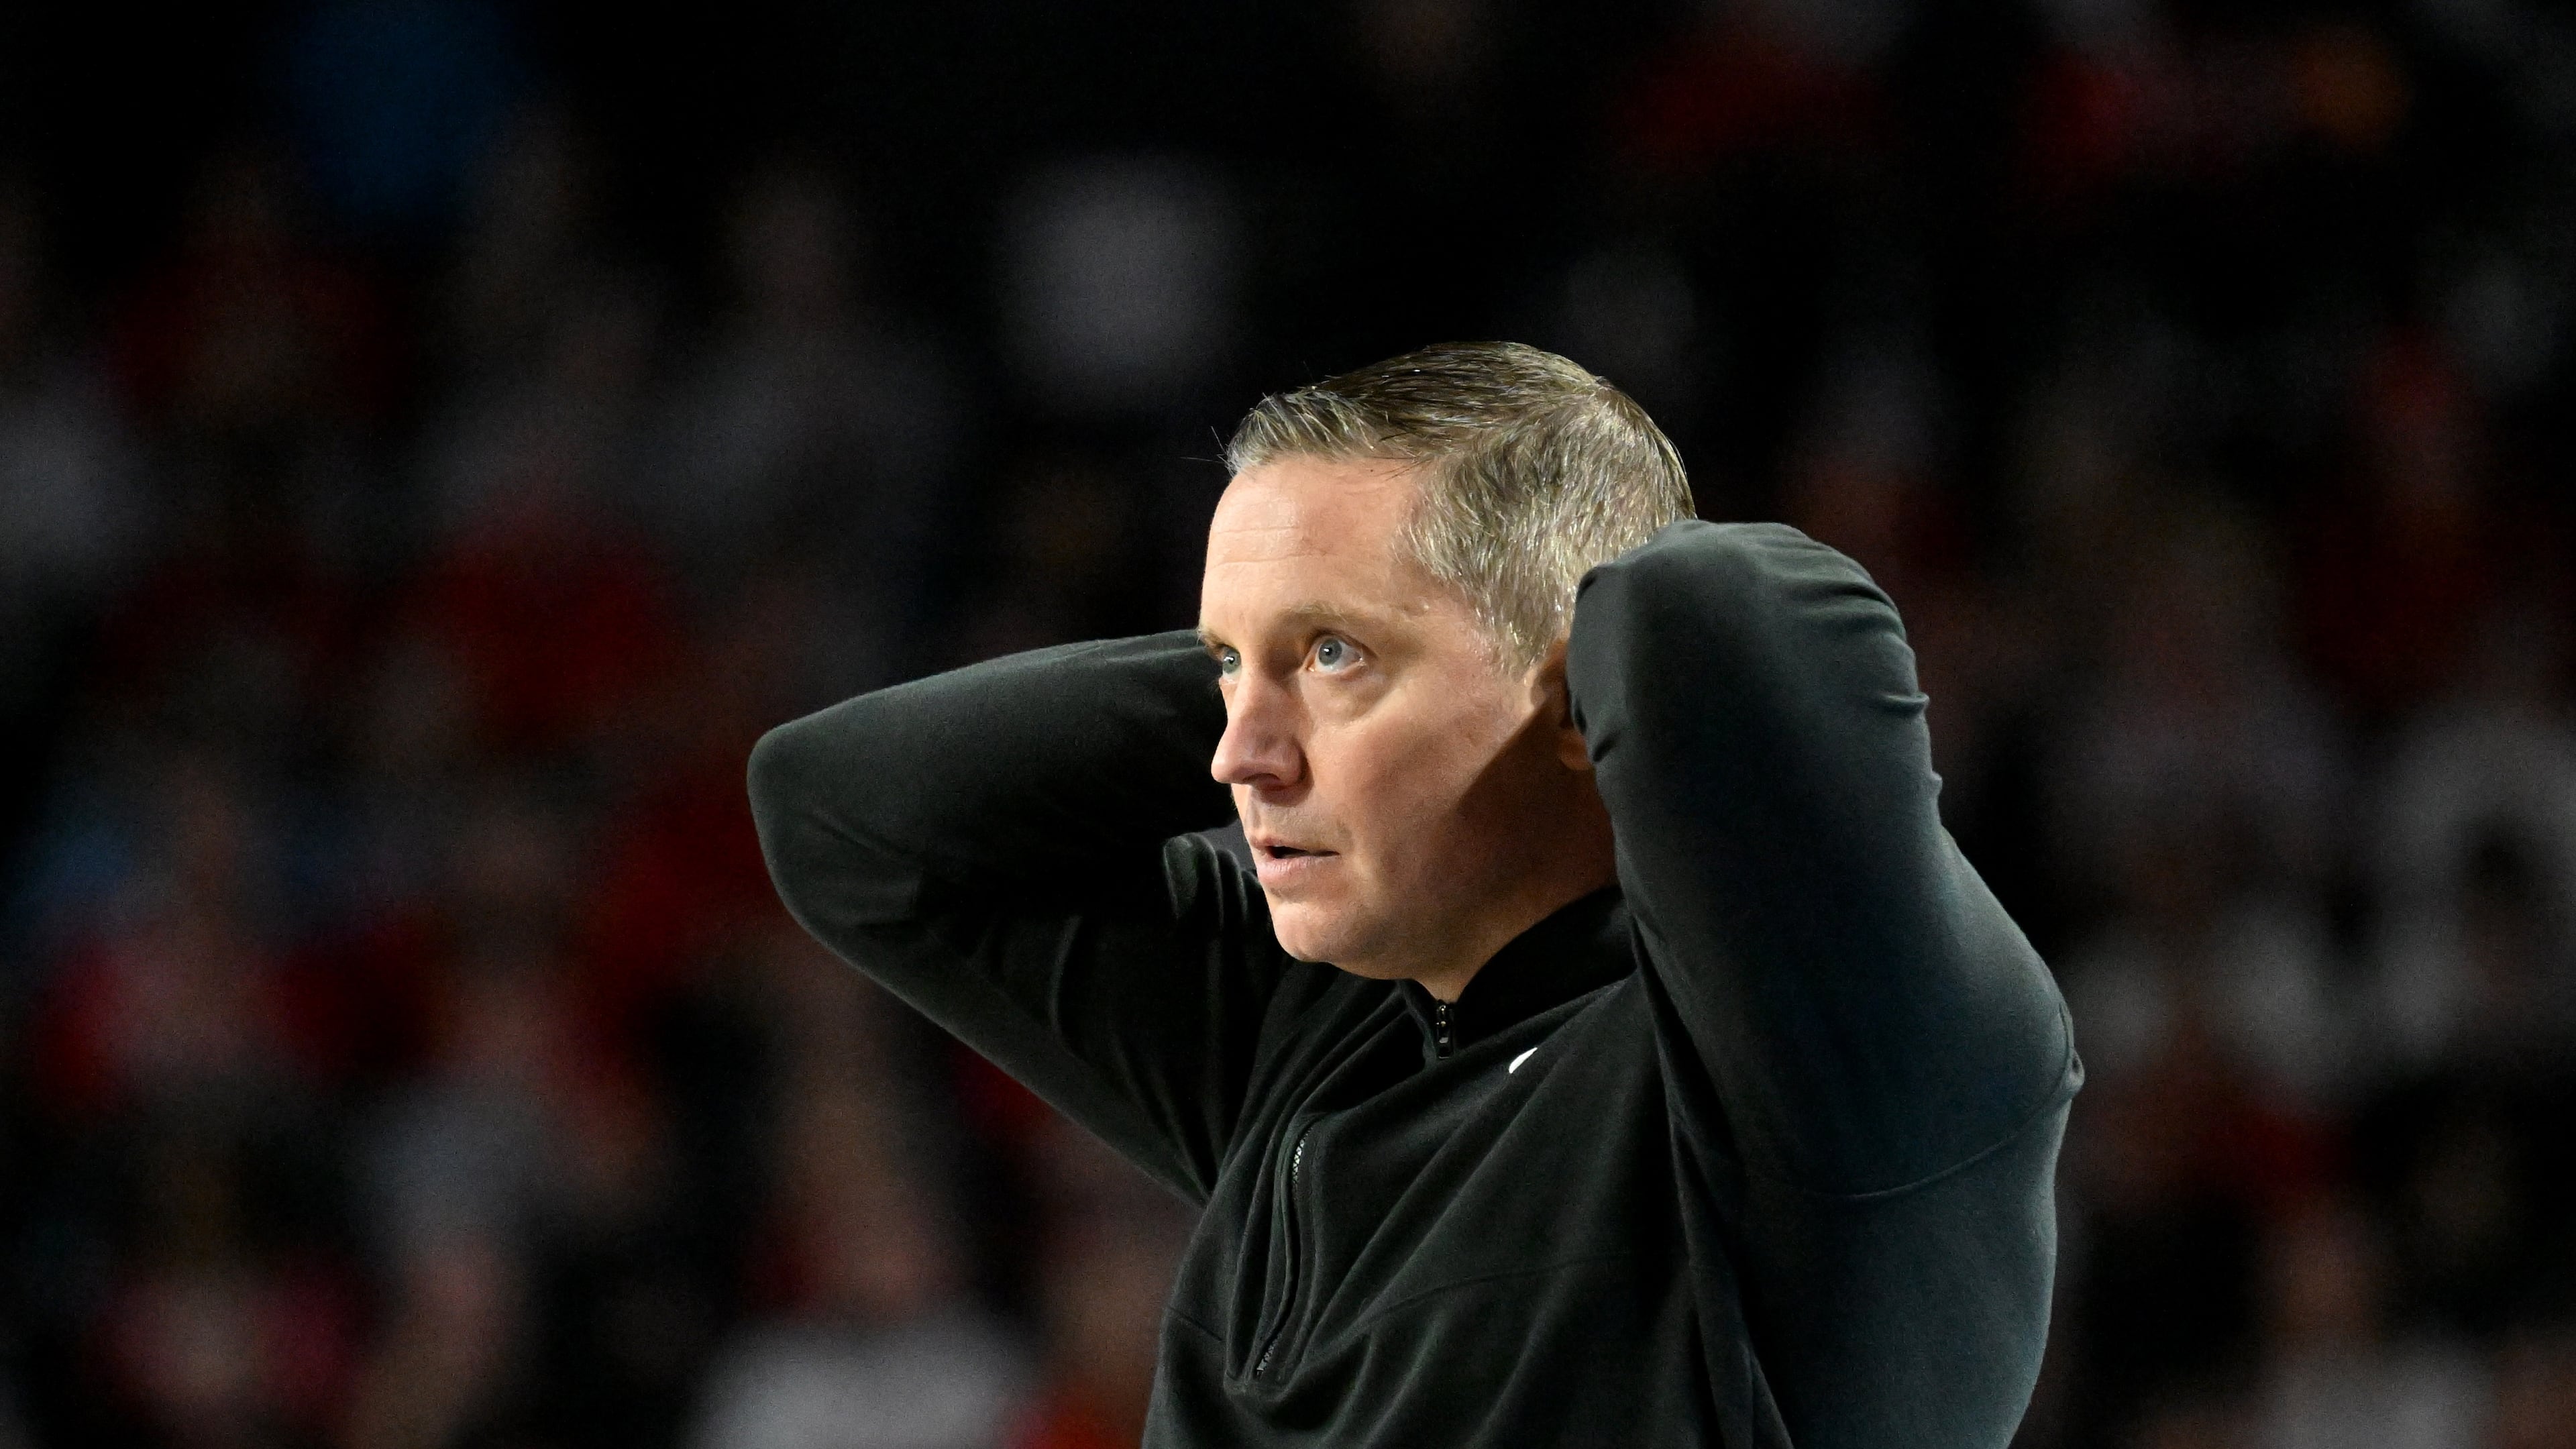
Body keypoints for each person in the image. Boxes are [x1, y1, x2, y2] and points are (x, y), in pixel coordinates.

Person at [748, 341, 2080, 1447]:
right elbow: (845, 817)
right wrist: (1305, 646)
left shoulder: (1826, 1073)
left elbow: (1708, 616)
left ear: (1574, 693)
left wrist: (1464, 642)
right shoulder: (1312, 1026)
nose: (1235, 758)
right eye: (1226, 671)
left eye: (1337, 657)